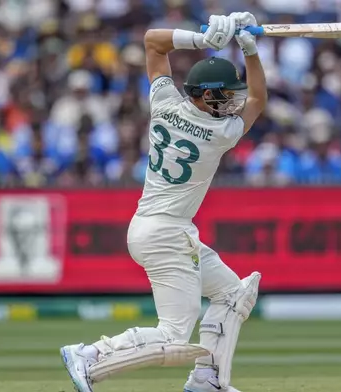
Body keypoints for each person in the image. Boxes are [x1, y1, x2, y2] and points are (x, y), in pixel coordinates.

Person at [60, 12, 267, 392]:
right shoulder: (219, 131)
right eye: (226, 93)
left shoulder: (164, 102)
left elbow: (153, 41)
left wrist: (202, 40)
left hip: (156, 227)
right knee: (174, 333)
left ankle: (208, 379)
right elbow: (258, 97)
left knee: (233, 293)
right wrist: (249, 49)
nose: (234, 100)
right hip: (167, 234)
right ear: (207, 95)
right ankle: (89, 354)